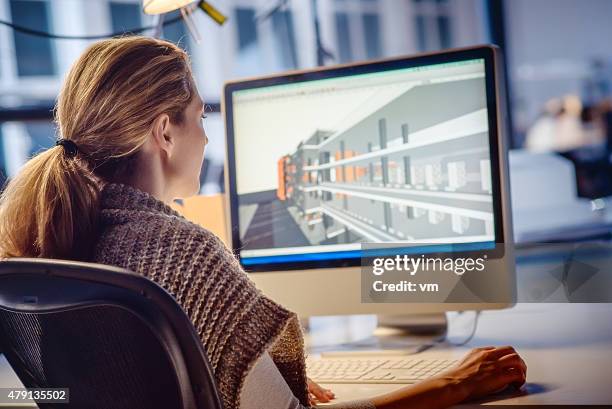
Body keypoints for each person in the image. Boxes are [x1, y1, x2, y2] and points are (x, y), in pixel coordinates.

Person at [0, 37, 526, 409]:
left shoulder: (52, 244)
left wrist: (259, 382)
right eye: (199, 118)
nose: (206, 140)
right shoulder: (184, 255)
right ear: (165, 132)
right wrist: (452, 385)